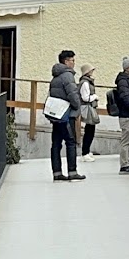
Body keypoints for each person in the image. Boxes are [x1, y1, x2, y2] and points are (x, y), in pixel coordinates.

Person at [47, 50, 85, 182]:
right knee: (71, 142)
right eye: (72, 60)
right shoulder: (67, 76)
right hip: (66, 114)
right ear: (66, 61)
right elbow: (72, 94)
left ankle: (57, 172)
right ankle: (72, 171)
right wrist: (77, 105)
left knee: (56, 144)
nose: (74, 63)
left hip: (56, 115)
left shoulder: (55, 76)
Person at [77, 64, 100, 157]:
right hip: (88, 107)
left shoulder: (86, 82)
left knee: (90, 130)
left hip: (89, 107)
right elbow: (85, 98)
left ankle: (86, 150)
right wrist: (95, 97)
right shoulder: (85, 83)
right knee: (90, 130)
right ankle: (85, 152)